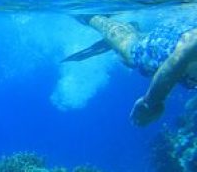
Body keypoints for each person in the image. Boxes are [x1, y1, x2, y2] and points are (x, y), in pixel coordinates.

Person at [64, 14, 197, 126]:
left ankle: (135, 34)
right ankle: (91, 17)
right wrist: (150, 103)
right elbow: (177, 60)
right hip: (166, 50)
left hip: (184, 53)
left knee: (134, 52)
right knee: (129, 53)